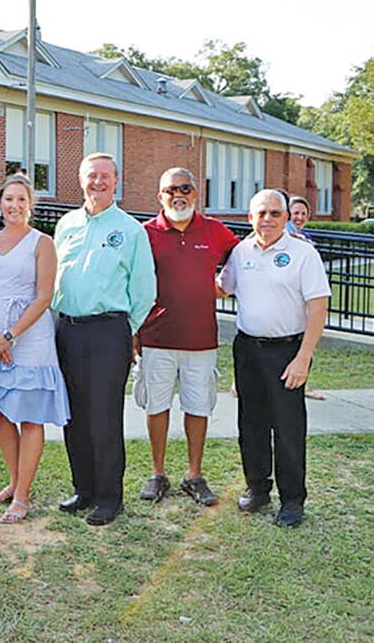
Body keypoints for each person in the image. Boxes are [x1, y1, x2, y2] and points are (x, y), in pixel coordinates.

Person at [54, 153, 156, 525]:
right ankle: (84, 489)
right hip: (66, 329)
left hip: (108, 331)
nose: (98, 182)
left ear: (116, 182)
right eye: (91, 176)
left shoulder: (130, 230)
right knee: (74, 415)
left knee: (104, 417)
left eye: (105, 176)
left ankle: (110, 497)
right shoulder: (65, 225)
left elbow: (145, 290)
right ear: (80, 181)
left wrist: (126, 331)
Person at [219, 189, 330, 527]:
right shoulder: (240, 251)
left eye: (274, 213)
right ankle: (258, 488)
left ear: (286, 217)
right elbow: (222, 288)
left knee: (288, 427)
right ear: (250, 218)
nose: (267, 219)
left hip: (287, 350)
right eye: (260, 213)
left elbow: (318, 307)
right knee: (250, 424)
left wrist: (303, 358)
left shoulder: (302, 254)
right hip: (248, 349)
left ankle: (292, 499)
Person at [0, 173, 69, 524]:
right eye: (9, 199)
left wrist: (9, 336)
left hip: (29, 342)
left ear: (30, 205)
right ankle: (13, 483)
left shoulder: (42, 244)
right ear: (0, 203)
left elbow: (44, 297)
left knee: (29, 417)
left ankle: (23, 496)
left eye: (21, 200)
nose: (15, 205)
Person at [135, 168, 239, 506]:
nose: (178, 194)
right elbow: (129, 282)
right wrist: (132, 331)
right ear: (159, 196)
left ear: (196, 193)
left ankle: (194, 475)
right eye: (170, 190)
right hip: (155, 338)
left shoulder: (215, 230)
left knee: (198, 408)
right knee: (156, 405)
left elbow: (247, 255)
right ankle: (157, 473)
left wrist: (285, 238)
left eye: (185, 188)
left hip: (201, 340)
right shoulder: (145, 234)